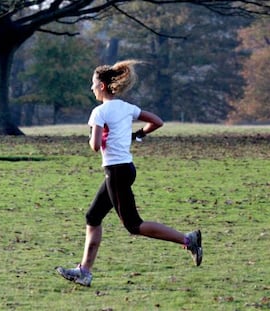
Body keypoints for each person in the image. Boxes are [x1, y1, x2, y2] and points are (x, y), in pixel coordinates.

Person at [56, 60, 202, 287]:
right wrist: (139, 134)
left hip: (115, 172)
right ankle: (84, 271)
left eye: (93, 84)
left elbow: (94, 146)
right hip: (125, 169)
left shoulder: (99, 112)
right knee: (92, 217)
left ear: (102, 86)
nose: (91, 88)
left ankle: (188, 239)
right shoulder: (126, 108)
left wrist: (97, 136)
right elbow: (157, 121)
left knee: (134, 226)